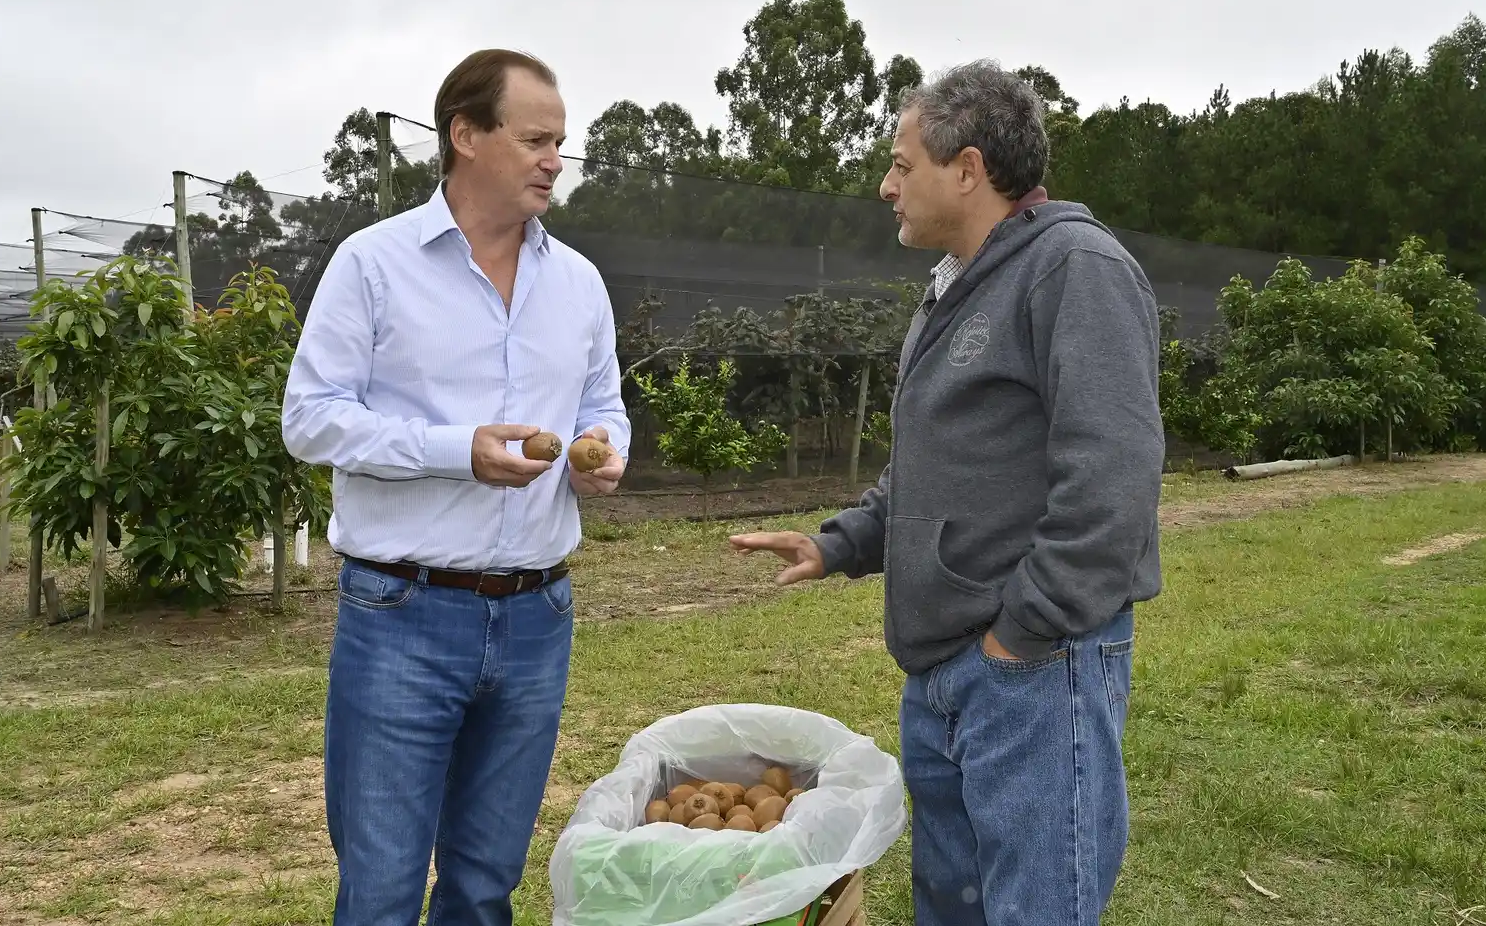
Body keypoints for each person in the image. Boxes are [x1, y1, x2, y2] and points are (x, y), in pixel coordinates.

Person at [729, 60, 1165, 926]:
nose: (887, 186)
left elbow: (1113, 474)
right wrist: (841, 541)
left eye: (902, 165)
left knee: (1036, 909)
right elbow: (936, 462)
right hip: (943, 672)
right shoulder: (953, 287)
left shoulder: (1074, 269)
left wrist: (1023, 634)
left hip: (1033, 673)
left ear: (967, 169)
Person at [282, 49, 630, 926]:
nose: (555, 159)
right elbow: (311, 418)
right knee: (384, 888)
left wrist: (602, 447)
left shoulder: (580, 283)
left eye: (562, 142)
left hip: (537, 618)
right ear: (465, 135)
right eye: (535, 139)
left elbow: (603, 404)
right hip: (403, 612)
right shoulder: (374, 264)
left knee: (485, 884)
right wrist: (454, 450)